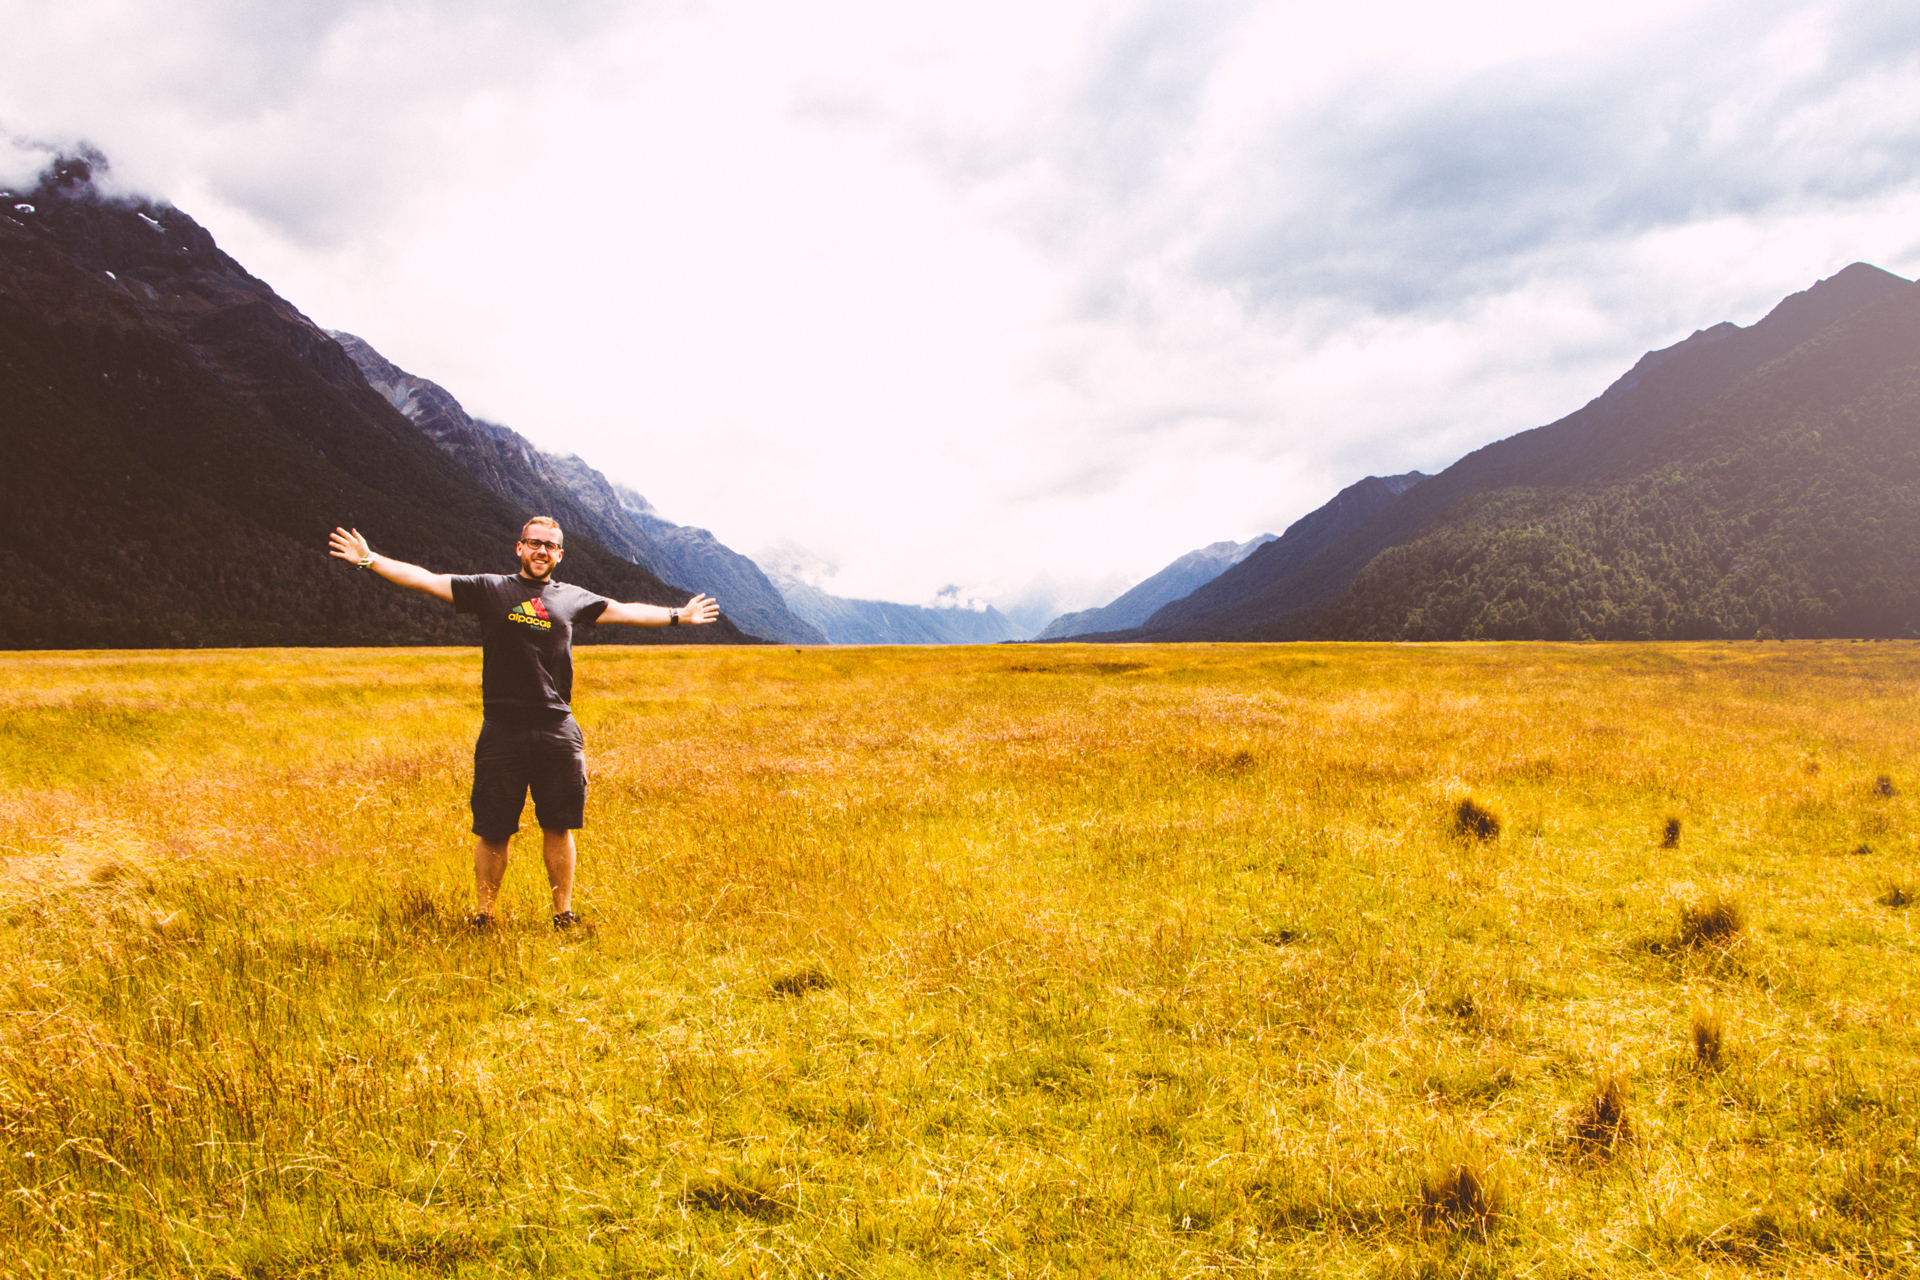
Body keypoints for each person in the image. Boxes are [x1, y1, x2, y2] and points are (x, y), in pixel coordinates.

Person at [328, 517, 719, 931]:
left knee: (559, 823)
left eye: (550, 546)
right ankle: (485, 915)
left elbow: (624, 611)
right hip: (502, 727)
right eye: (534, 544)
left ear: (560, 555)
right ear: (520, 548)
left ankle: (563, 914)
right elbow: (426, 579)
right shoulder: (490, 589)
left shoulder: (571, 597)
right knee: (494, 828)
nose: (541, 552)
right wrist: (369, 559)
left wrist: (680, 616)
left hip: (556, 727)